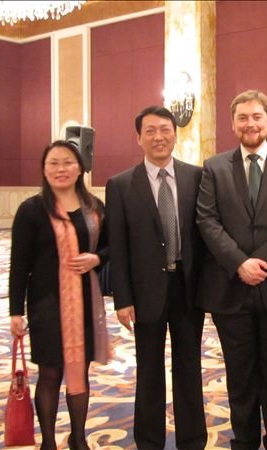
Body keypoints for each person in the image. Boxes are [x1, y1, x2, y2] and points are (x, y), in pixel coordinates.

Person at [196, 89, 267, 450]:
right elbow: (207, 220)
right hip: (231, 291)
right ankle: (243, 442)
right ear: (233, 123)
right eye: (242, 117)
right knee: (240, 376)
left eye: (257, 116)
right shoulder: (214, 167)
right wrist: (239, 263)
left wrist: (260, 262)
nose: (250, 124)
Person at [105, 106, 207, 450]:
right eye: (150, 131)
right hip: (145, 291)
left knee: (189, 367)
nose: (158, 137)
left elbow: (205, 236)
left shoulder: (197, 177)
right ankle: (149, 441)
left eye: (165, 129)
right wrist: (122, 299)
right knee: (149, 370)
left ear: (175, 134)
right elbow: (118, 247)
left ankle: (193, 440)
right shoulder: (120, 185)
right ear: (139, 138)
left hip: (188, 288)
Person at [9, 140, 109, 450]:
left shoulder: (95, 208)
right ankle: (48, 443)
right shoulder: (31, 210)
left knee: (80, 371)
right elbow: (19, 264)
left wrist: (96, 258)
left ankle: (78, 438)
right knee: (50, 373)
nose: (60, 169)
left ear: (80, 168)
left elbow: (112, 246)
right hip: (47, 304)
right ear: (44, 170)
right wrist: (15, 312)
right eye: (53, 163)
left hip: (85, 303)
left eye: (67, 162)